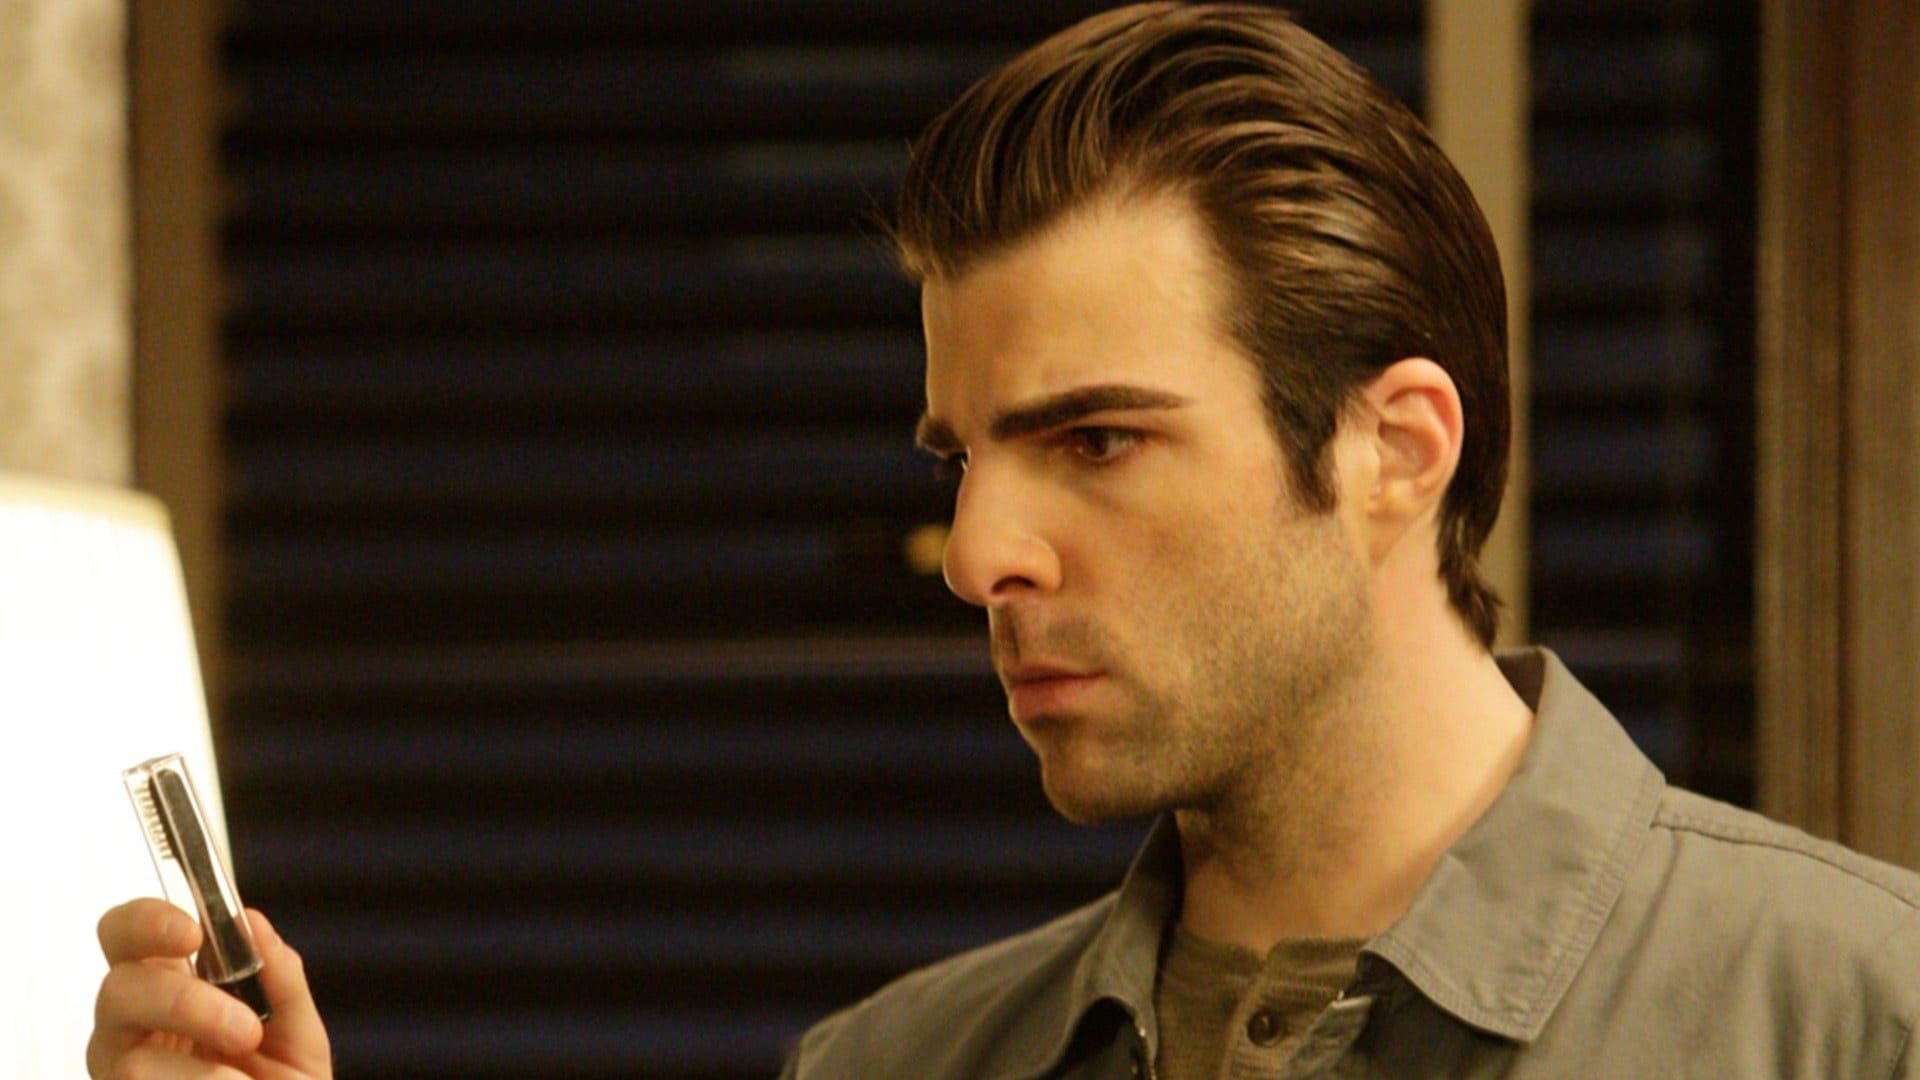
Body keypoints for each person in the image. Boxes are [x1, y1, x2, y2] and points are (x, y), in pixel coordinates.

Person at [90, 4, 1919, 1078]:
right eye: (961, 460)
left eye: (1096, 441)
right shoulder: (893, 1064)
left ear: (1395, 449)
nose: (978, 556)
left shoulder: (1855, 1021)